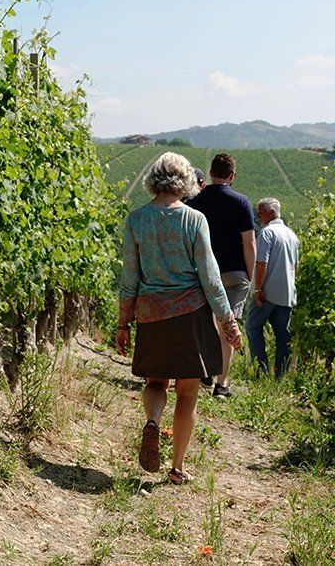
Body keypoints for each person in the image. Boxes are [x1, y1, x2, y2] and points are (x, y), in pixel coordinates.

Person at [116, 152, 243, 484]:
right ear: (185, 181)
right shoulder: (194, 220)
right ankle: (177, 469)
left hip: (151, 314)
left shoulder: (136, 220)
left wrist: (122, 323)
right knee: (187, 394)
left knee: (155, 382)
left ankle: (153, 421)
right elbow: (210, 277)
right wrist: (228, 321)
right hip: (191, 315)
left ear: (153, 180)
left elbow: (130, 276)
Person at [185, 153, 255, 398]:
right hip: (235, 272)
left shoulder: (195, 200)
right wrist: (250, 274)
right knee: (228, 326)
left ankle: (207, 372)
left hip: (203, 272)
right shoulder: (242, 202)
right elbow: (250, 244)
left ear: (211, 173)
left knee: (207, 324)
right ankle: (222, 384)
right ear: (232, 176)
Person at [245, 197, 300, 377]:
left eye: (260, 212)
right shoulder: (292, 235)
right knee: (283, 336)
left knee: (253, 326)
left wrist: (258, 289)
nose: (258, 216)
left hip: (268, 292)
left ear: (270, 213)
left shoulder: (267, 233)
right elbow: (295, 266)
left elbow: (261, 263)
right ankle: (280, 374)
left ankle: (260, 370)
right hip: (287, 294)